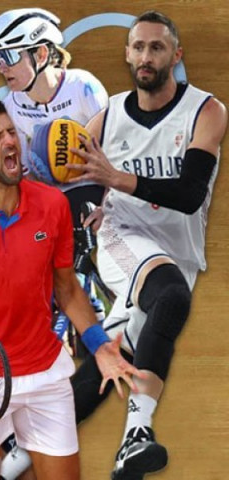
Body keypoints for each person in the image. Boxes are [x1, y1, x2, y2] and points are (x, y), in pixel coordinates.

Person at [0, 98, 141, 480]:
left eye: (11, 132)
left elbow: (66, 288)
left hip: (46, 375)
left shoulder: (52, 205)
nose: (9, 142)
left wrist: (100, 345)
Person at [64, 11, 227, 479]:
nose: (145, 56)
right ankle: (137, 433)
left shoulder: (206, 110)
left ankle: (14, 452)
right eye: (138, 47)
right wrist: (85, 210)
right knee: (172, 296)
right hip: (121, 238)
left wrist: (117, 178)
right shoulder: (107, 116)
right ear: (127, 54)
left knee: (112, 358)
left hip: (178, 251)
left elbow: (190, 193)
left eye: (157, 47)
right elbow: (72, 185)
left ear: (176, 56)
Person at [0, 9, 112, 478]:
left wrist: (109, 202)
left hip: (83, 193)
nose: (2, 65)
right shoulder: (9, 103)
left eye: (9, 55)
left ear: (41, 53)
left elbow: (111, 151)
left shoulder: (82, 88)